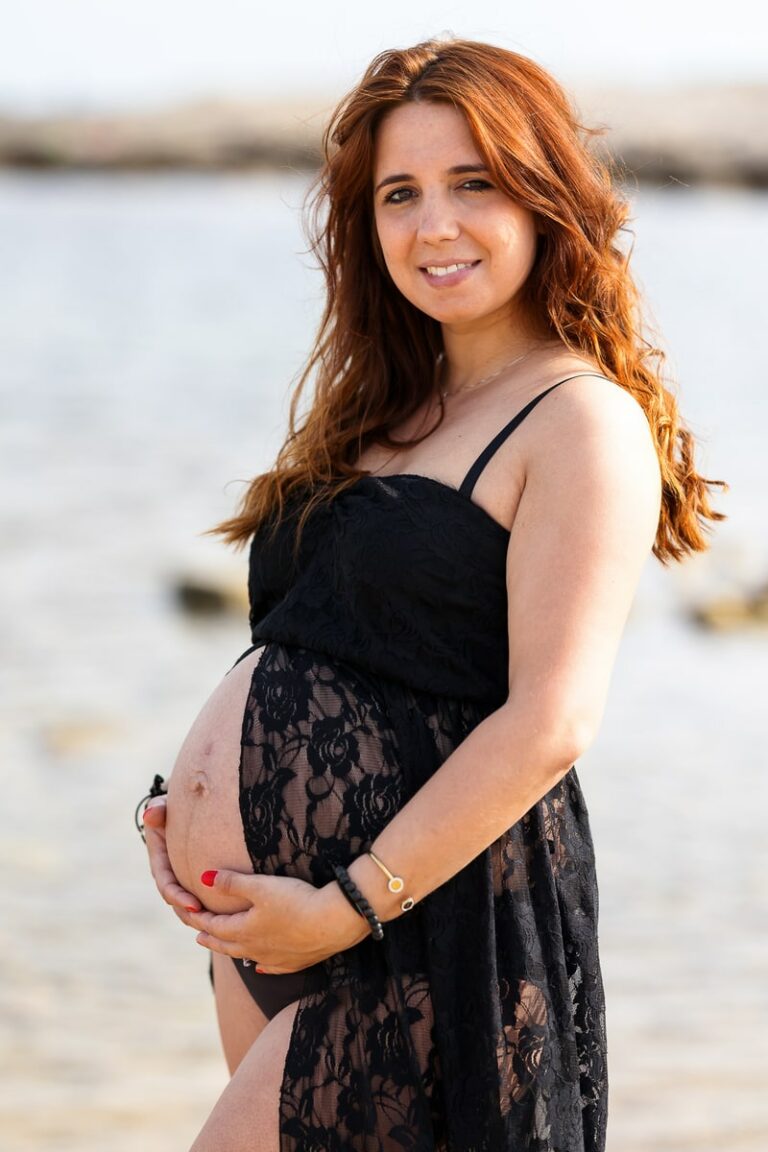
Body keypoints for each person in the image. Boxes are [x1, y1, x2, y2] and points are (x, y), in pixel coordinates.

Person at [139, 36, 726, 1152]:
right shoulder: (381, 416)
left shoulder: (576, 420)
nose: (433, 226)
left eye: (474, 184)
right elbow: (323, 652)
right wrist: (191, 800)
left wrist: (345, 903)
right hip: (283, 923)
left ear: (546, 196)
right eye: (399, 193)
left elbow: (552, 723)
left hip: (423, 932)